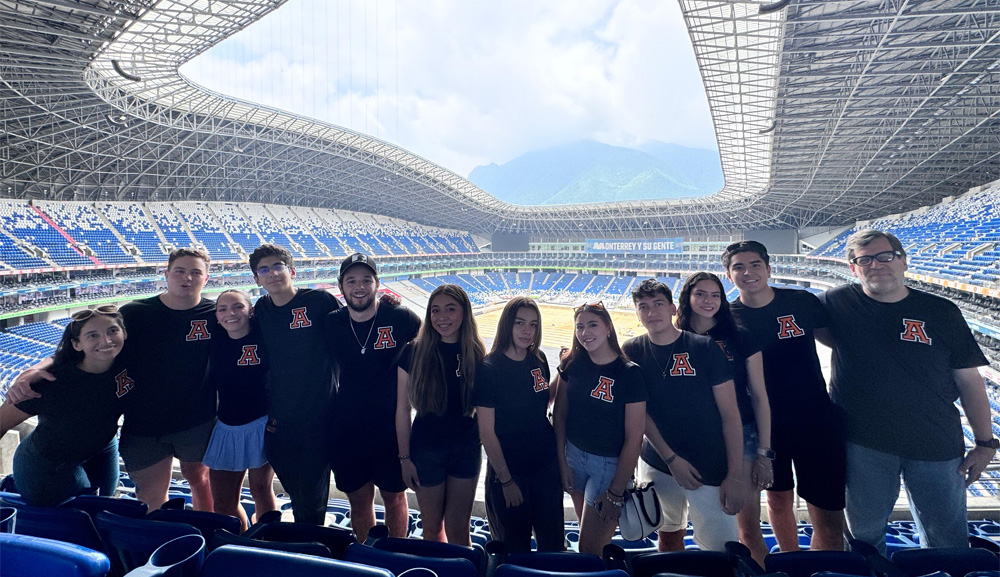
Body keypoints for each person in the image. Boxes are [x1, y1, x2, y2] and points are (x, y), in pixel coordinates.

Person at [818, 229, 997, 554]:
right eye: (865, 260)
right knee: (864, 538)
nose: (876, 265)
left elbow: (970, 382)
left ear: (903, 262)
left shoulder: (941, 311)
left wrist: (985, 443)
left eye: (885, 256)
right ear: (853, 268)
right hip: (863, 446)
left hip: (936, 446)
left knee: (947, 539)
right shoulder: (837, 302)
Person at [8, 248, 218, 511]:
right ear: (166, 274)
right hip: (142, 426)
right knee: (146, 499)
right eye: (179, 271)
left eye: (195, 272)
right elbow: (83, 342)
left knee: (202, 485)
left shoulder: (217, 313)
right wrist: (33, 369)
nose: (187, 278)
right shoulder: (135, 312)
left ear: (206, 278)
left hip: (194, 421)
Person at [724, 240, 846, 551]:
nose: (747, 272)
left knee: (828, 513)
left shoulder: (801, 301)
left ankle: (824, 573)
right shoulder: (727, 318)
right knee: (777, 501)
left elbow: (836, 342)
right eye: (738, 266)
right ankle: (792, 563)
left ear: (767, 268)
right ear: (728, 274)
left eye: (754, 265)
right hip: (765, 427)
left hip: (815, 420)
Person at [623, 279, 745, 553]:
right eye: (643, 307)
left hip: (710, 465)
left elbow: (730, 415)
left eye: (658, 304)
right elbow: (640, 414)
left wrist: (735, 475)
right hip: (658, 461)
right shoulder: (632, 350)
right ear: (637, 312)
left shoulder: (704, 347)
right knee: (667, 537)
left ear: (672, 309)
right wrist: (671, 459)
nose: (652, 312)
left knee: (720, 549)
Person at [675, 272, 773, 563]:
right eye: (701, 294)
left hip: (742, 434)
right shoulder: (675, 337)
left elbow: (759, 395)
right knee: (697, 526)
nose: (709, 301)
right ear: (687, 298)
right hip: (694, 439)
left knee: (747, 528)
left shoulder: (740, 337)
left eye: (715, 295)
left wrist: (765, 454)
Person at [325, 253, 421, 541]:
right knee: (359, 500)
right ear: (341, 286)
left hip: (392, 428)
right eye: (351, 280)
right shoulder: (331, 323)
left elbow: (434, 349)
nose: (359, 286)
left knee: (394, 498)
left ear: (378, 284)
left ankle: (396, 552)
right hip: (348, 428)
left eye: (367, 279)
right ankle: (366, 552)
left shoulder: (401, 317)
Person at [0, 305, 133, 505]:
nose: (105, 341)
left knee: (105, 504)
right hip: (47, 463)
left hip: (103, 447)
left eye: (112, 331)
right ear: (76, 344)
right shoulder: (50, 382)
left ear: (124, 333)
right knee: (79, 512)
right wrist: (30, 373)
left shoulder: (129, 363)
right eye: (92, 335)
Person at [250, 243, 341, 525]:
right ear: (257, 279)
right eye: (263, 270)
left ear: (291, 270)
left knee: (312, 496)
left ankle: (311, 548)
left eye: (277, 266)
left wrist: (386, 306)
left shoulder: (320, 301)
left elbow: (351, 329)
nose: (272, 274)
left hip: (319, 415)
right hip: (280, 417)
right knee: (294, 485)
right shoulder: (262, 309)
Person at [552, 301, 646, 556]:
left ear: (608, 328)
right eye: (580, 326)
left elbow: (634, 438)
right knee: (586, 531)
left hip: (608, 465)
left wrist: (616, 492)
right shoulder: (572, 363)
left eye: (592, 324)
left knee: (590, 547)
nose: (585, 332)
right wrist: (562, 463)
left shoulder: (629, 373)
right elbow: (559, 415)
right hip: (573, 457)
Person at [396, 284, 485, 545]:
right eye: (435, 310)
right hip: (426, 450)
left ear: (464, 313)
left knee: (459, 530)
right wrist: (404, 459)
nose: (442, 317)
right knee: (432, 529)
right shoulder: (414, 351)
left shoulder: (476, 352)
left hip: (466, 449)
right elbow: (402, 409)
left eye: (450, 309)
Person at [474, 297, 564, 553]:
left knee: (553, 545)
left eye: (533, 325)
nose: (527, 331)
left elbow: (542, 400)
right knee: (513, 548)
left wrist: (563, 371)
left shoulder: (538, 359)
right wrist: (506, 480)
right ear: (507, 325)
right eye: (520, 323)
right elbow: (486, 432)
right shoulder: (489, 368)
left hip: (545, 468)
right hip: (510, 472)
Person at [203, 289, 277, 533]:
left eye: (238, 307)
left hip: (262, 424)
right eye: (222, 309)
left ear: (250, 310)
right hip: (226, 426)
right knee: (223, 503)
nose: (230, 313)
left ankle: (267, 542)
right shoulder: (214, 337)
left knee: (261, 490)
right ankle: (242, 541)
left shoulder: (264, 332)